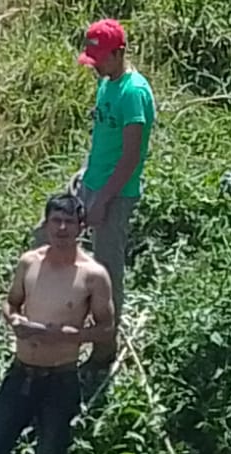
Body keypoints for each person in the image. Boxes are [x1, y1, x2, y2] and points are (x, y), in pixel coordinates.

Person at [0, 193, 115, 454]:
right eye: (56, 220)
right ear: (46, 224)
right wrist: (14, 322)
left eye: (70, 221)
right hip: (21, 371)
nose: (62, 227)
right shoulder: (30, 262)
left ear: (81, 227)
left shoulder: (92, 275)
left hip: (60, 377)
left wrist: (70, 336)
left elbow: (107, 328)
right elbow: (10, 303)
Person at [34, 18, 155, 377]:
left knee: (106, 269)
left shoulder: (134, 93)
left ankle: (104, 349)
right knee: (45, 235)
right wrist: (85, 172)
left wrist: (103, 199)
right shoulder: (107, 84)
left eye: (101, 58)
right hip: (91, 183)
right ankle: (48, 314)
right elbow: (103, 138)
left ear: (120, 53)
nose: (96, 65)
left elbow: (132, 155)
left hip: (115, 194)